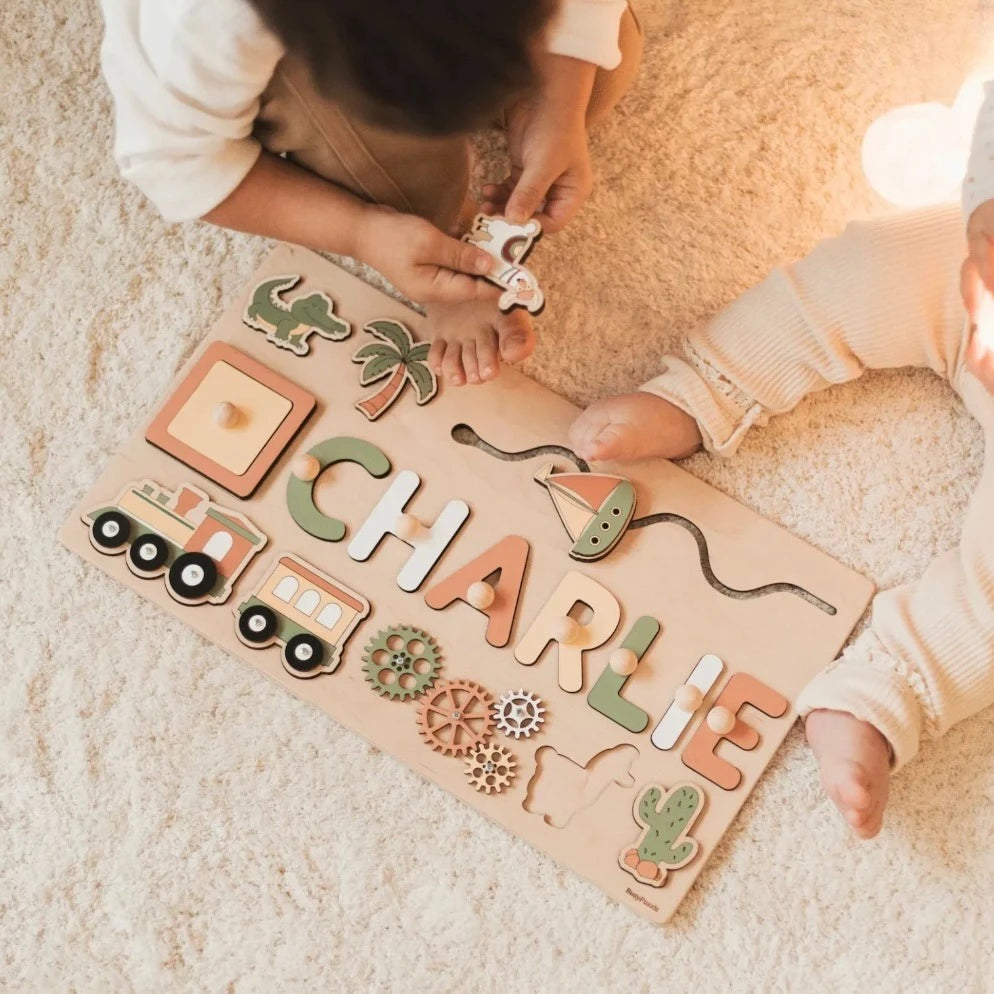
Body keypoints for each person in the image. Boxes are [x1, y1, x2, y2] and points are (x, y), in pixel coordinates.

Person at [569, 127, 994, 834]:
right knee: (871, 268)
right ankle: (707, 389)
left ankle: (886, 693)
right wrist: (984, 229)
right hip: (976, 284)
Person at [99, 0, 642, 385]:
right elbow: (176, 162)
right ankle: (440, 259)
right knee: (393, 167)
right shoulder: (199, 23)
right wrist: (362, 233)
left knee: (605, 60)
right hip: (282, 38)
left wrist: (556, 105)